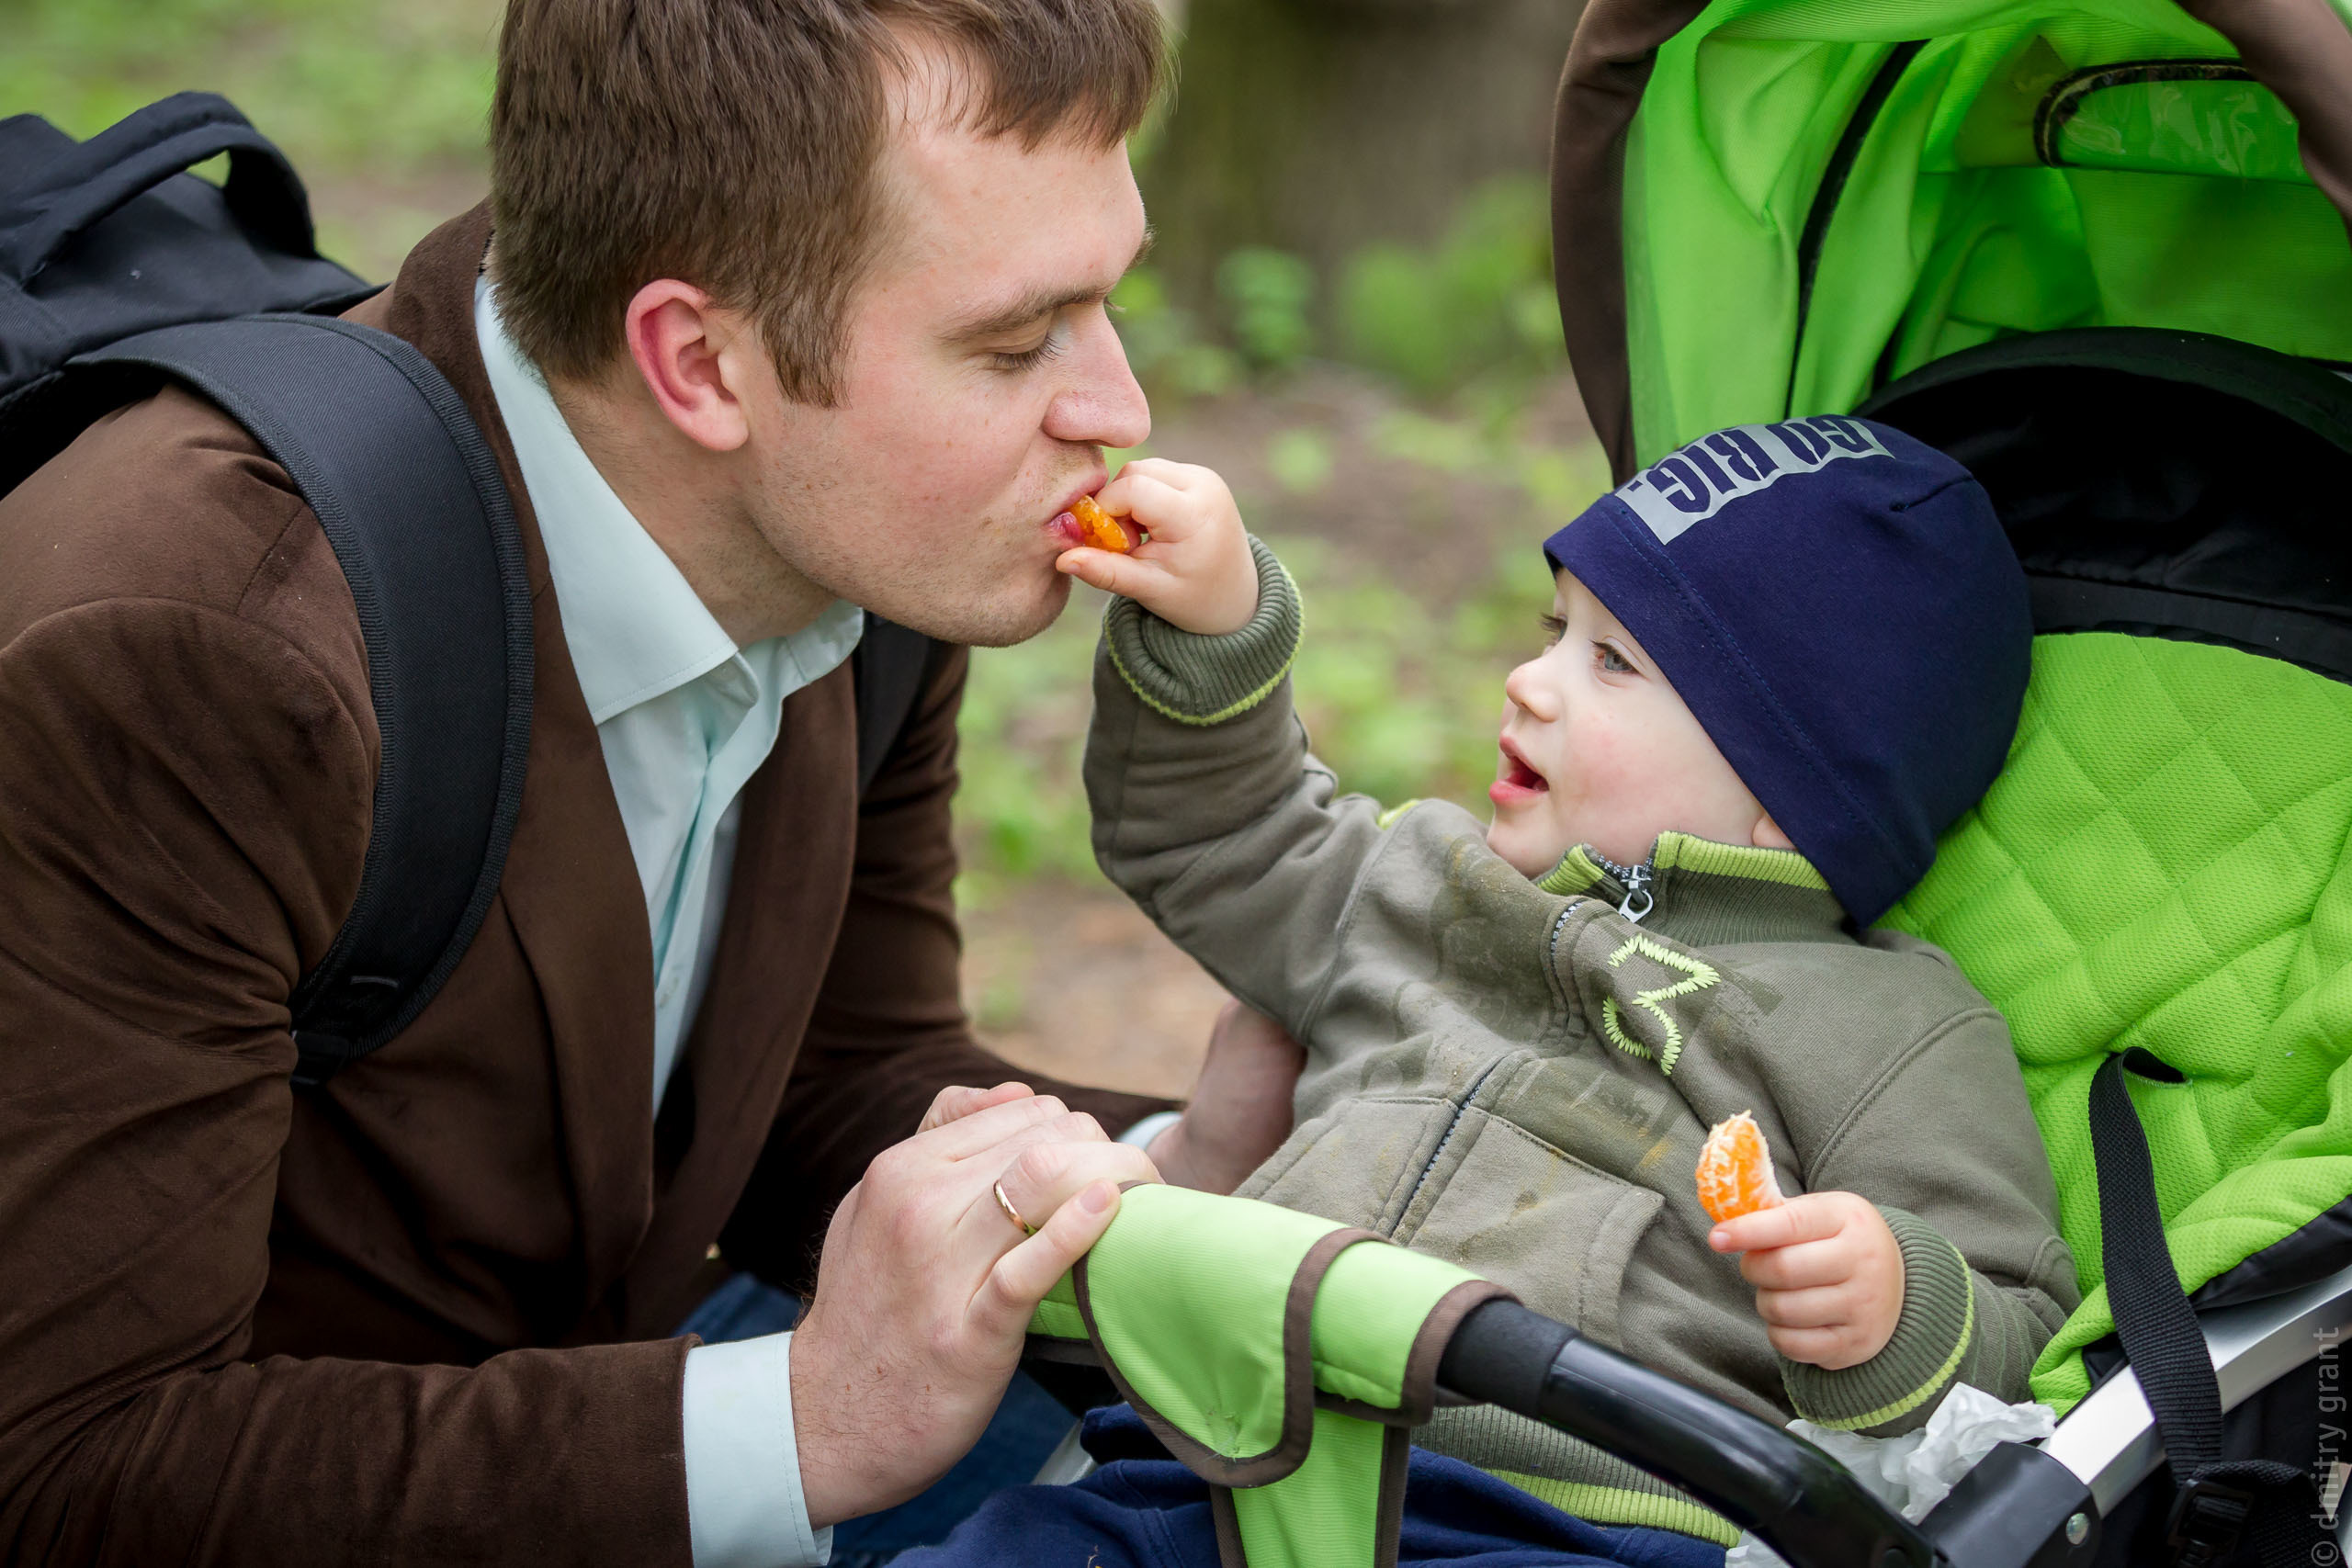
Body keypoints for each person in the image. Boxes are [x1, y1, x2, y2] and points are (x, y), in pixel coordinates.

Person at [0, 2, 1309, 1564]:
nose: (1117, 409)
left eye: (1107, 305)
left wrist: (1178, 1177)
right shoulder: (199, 654)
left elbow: (821, 1082)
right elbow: (73, 1468)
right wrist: (806, 1420)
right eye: (1017, 341)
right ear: (696, 360)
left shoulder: (862, 547)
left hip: (582, 1374)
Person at [899, 415, 2083, 1566]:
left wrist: (1893, 1302)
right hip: (1215, 1459)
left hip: (1574, 1515)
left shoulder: (1891, 1028)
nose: (1529, 680)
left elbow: (2026, 1323)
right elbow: (1223, 840)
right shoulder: (1428, 887)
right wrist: (1220, 633)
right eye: (1553, 629)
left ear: (1793, 793)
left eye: (1611, 662)